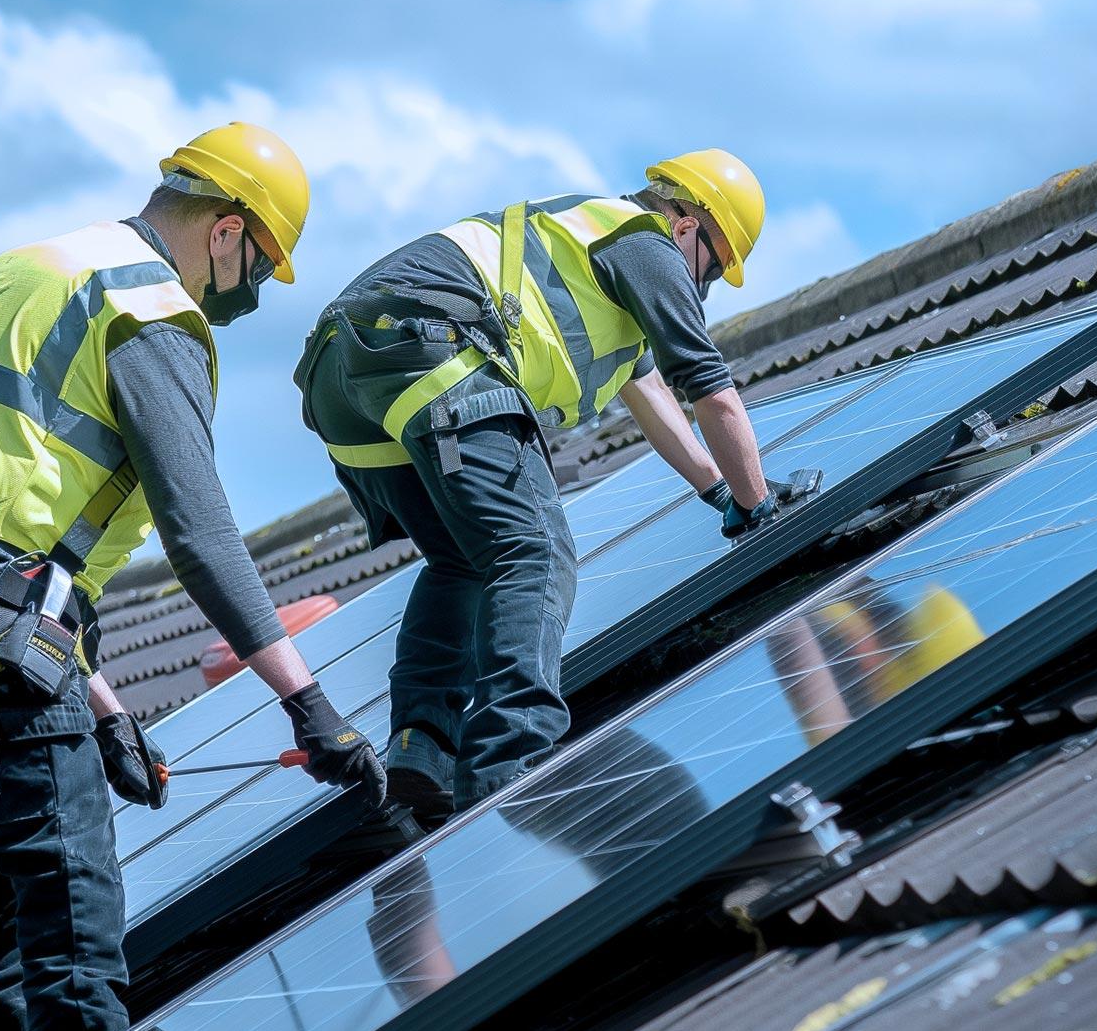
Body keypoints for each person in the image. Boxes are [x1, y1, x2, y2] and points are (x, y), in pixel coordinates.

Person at [0, 124, 385, 1031]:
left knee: (3, 927)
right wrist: (309, 707)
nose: (251, 296)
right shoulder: (151, 312)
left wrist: (101, 709)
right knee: (72, 943)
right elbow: (202, 536)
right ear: (226, 231)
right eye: (260, 267)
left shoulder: (15, 273)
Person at [296, 147, 785, 824]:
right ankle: (513, 762)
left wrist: (718, 494)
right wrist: (762, 506)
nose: (700, 287)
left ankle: (422, 744)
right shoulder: (645, 244)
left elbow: (652, 398)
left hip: (343, 375)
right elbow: (710, 392)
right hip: (431, 342)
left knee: (466, 560)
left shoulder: (594, 252)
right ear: (688, 225)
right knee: (535, 551)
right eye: (714, 265)